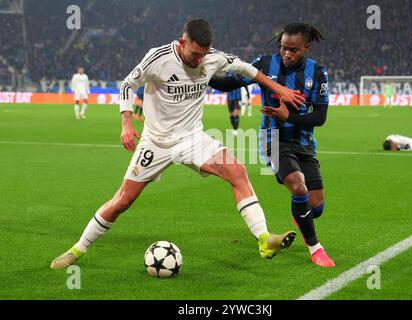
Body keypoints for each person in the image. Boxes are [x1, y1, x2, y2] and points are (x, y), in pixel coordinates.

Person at [51, 19, 306, 269]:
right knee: (123, 201)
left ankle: (264, 239)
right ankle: (77, 250)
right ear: (182, 42)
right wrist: (126, 124)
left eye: (203, 55)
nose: (199, 61)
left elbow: (247, 69)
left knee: (237, 171)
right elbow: (128, 85)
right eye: (195, 54)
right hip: (156, 142)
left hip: (192, 138)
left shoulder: (212, 57)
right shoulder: (158, 58)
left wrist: (278, 88)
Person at [209, 22, 334, 267]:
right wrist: (203, 73)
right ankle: (316, 248)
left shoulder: (317, 72)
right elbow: (229, 83)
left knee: (315, 207)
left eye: (294, 50)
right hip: (273, 139)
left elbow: (320, 117)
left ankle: (302, 213)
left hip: (305, 144)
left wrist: (290, 117)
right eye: (284, 48)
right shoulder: (265, 64)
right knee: (298, 187)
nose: (287, 54)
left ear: (307, 48)